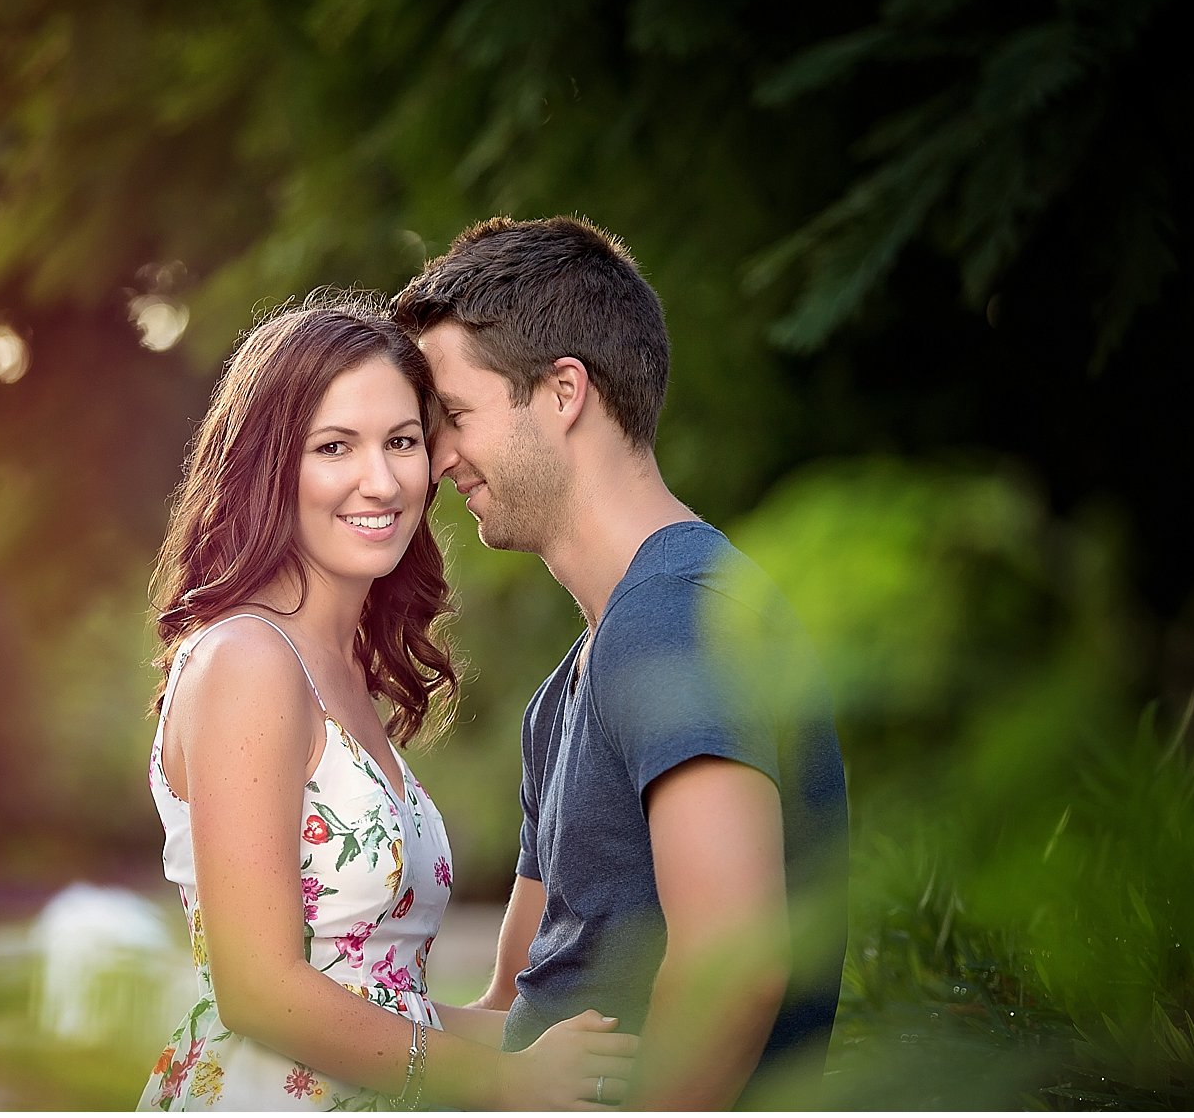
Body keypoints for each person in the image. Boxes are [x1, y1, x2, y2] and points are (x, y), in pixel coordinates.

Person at [138, 292, 639, 1112]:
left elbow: (376, 999)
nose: (381, 481)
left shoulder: (335, 671)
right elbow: (259, 989)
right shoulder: (247, 659)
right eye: (335, 446)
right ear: (270, 464)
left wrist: (532, 1037)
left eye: (402, 442)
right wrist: (507, 1082)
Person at [391, 217, 849, 1109]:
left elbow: (731, 969)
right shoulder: (570, 686)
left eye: (453, 417)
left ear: (564, 391)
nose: (436, 460)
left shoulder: (678, 616)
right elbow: (516, 1010)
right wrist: (301, 1017)